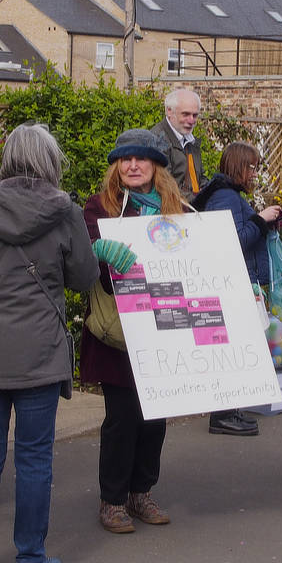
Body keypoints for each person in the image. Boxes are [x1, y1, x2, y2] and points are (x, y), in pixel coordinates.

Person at [0, 123, 98, 563]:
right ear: (51, 162)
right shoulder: (65, 212)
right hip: (40, 353)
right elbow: (83, 277)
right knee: (34, 458)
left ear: (9, 158)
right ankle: (31, 561)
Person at [80, 129, 185, 533]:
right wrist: (99, 251)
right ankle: (112, 500)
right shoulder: (100, 207)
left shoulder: (176, 210)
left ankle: (141, 492)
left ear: (156, 166)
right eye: (125, 159)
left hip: (161, 329)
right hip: (118, 335)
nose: (133, 166)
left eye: (141, 159)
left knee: (155, 417)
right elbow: (85, 260)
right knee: (122, 417)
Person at [193, 141, 281, 437]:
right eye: (252, 166)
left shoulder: (224, 195)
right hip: (231, 284)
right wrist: (262, 219)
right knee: (229, 349)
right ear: (239, 166)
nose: (255, 173)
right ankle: (223, 414)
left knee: (232, 347)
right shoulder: (226, 197)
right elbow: (231, 241)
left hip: (233, 282)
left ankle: (229, 410)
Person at [151, 88, 207, 200]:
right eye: (185, 114)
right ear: (169, 111)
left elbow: (199, 178)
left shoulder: (189, 140)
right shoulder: (158, 139)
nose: (191, 121)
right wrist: (200, 202)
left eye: (195, 115)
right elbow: (166, 187)